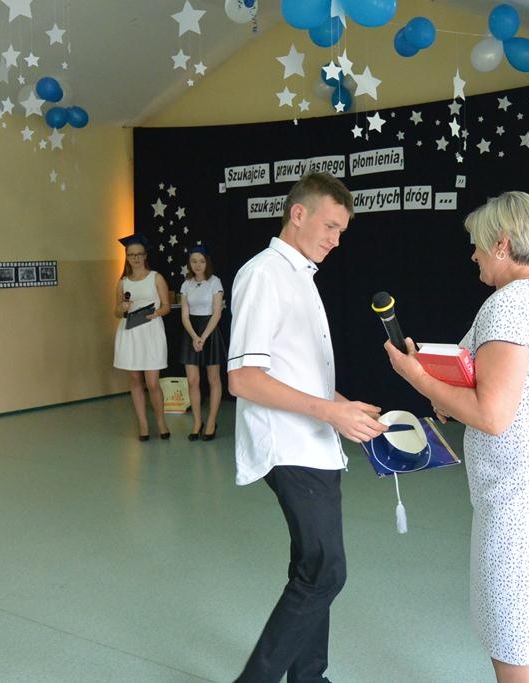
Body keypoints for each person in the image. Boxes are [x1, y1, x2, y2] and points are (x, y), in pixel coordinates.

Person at [384, 191, 529, 683]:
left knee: (513, 635)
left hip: (522, 496)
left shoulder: (508, 306)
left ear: (502, 244)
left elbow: (492, 415)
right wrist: (445, 387)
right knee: (520, 629)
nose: (472, 254)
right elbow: (496, 385)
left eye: (477, 244)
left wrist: (418, 379)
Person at [227, 172, 387, 683]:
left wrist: (346, 407)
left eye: (342, 231)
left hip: (315, 442)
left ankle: (309, 677)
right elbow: (244, 379)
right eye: (330, 226)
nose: (336, 240)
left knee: (312, 569)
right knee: (325, 570)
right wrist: (331, 414)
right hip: (290, 446)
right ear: (298, 214)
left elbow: (297, 375)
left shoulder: (301, 275)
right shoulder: (264, 275)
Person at [113, 234, 171, 441]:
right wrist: (122, 307)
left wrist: (156, 313)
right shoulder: (123, 282)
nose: (135, 258)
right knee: (135, 379)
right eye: (131, 255)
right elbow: (116, 312)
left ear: (145, 256)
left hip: (151, 330)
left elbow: (167, 306)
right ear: (127, 257)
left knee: (152, 382)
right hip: (130, 332)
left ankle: (161, 422)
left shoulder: (156, 277)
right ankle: (143, 425)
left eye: (139, 254)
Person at [179, 245, 226, 441]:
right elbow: (184, 315)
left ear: (207, 262)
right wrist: (194, 336)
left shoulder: (215, 282)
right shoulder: (186, 284)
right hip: (191, 332)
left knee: (213, 379)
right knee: (193, 380)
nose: (198, 265)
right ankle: (197, 422)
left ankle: (212, 421)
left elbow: (217, 313)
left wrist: (204, 337)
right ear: (189, 263)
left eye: (201, 261)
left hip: (210, 332)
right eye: (194, 261)